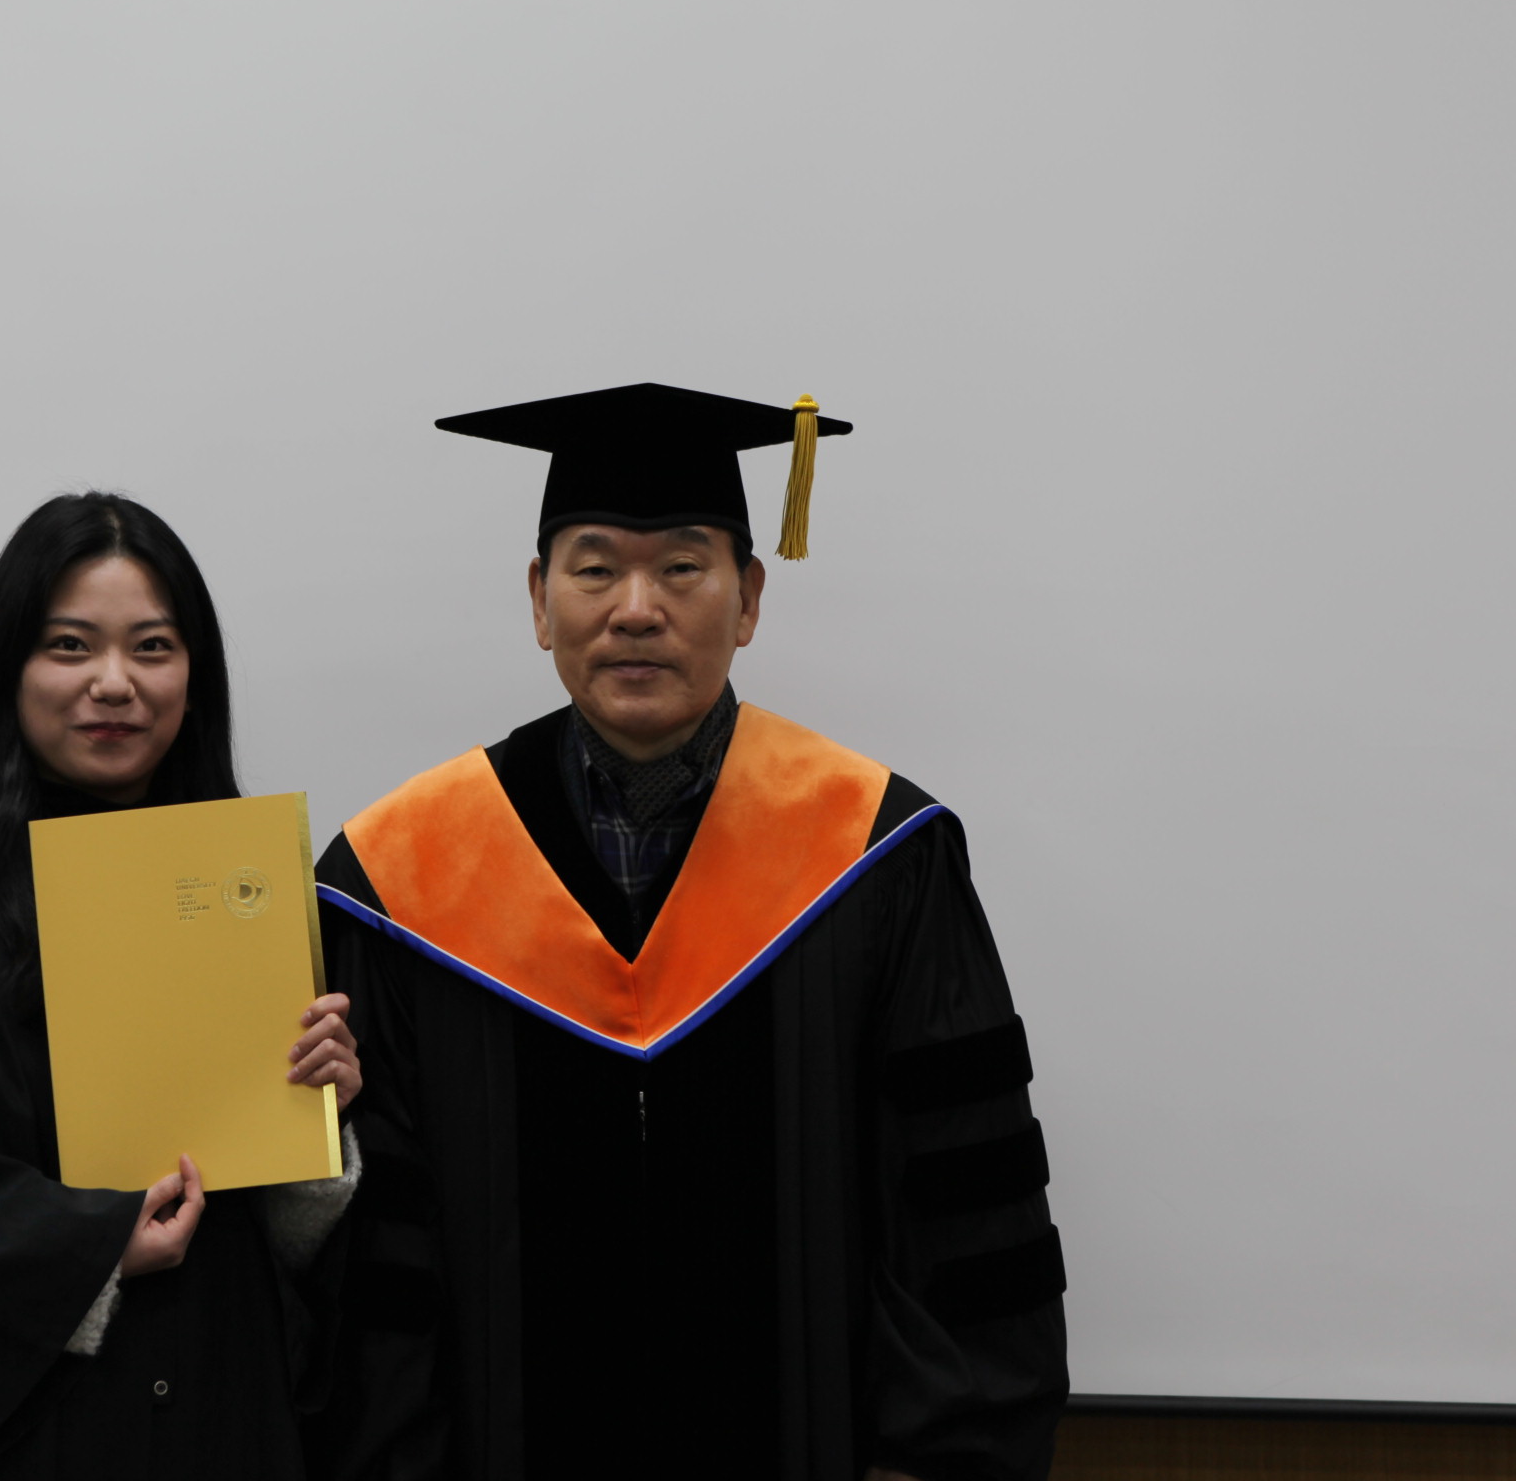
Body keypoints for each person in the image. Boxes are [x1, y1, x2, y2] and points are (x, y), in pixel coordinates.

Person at [309, 385, 1067, 1481]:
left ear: (748, 598)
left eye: (680, 567)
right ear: (538, 600)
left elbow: (959, 1221)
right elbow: (381, 1260)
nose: (636, 608)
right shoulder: (397, 881)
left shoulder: (879, 855)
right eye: (594, 568)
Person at [0, 491, 364, 1480]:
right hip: (11, 1445)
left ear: (195, 675)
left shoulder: (248, 896)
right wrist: (89, 1247)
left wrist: (315, 1129)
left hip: (217, 1411)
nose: (114, 683)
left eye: (154, 647)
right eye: (70, 646)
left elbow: (295, 1253)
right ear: (8, 664)